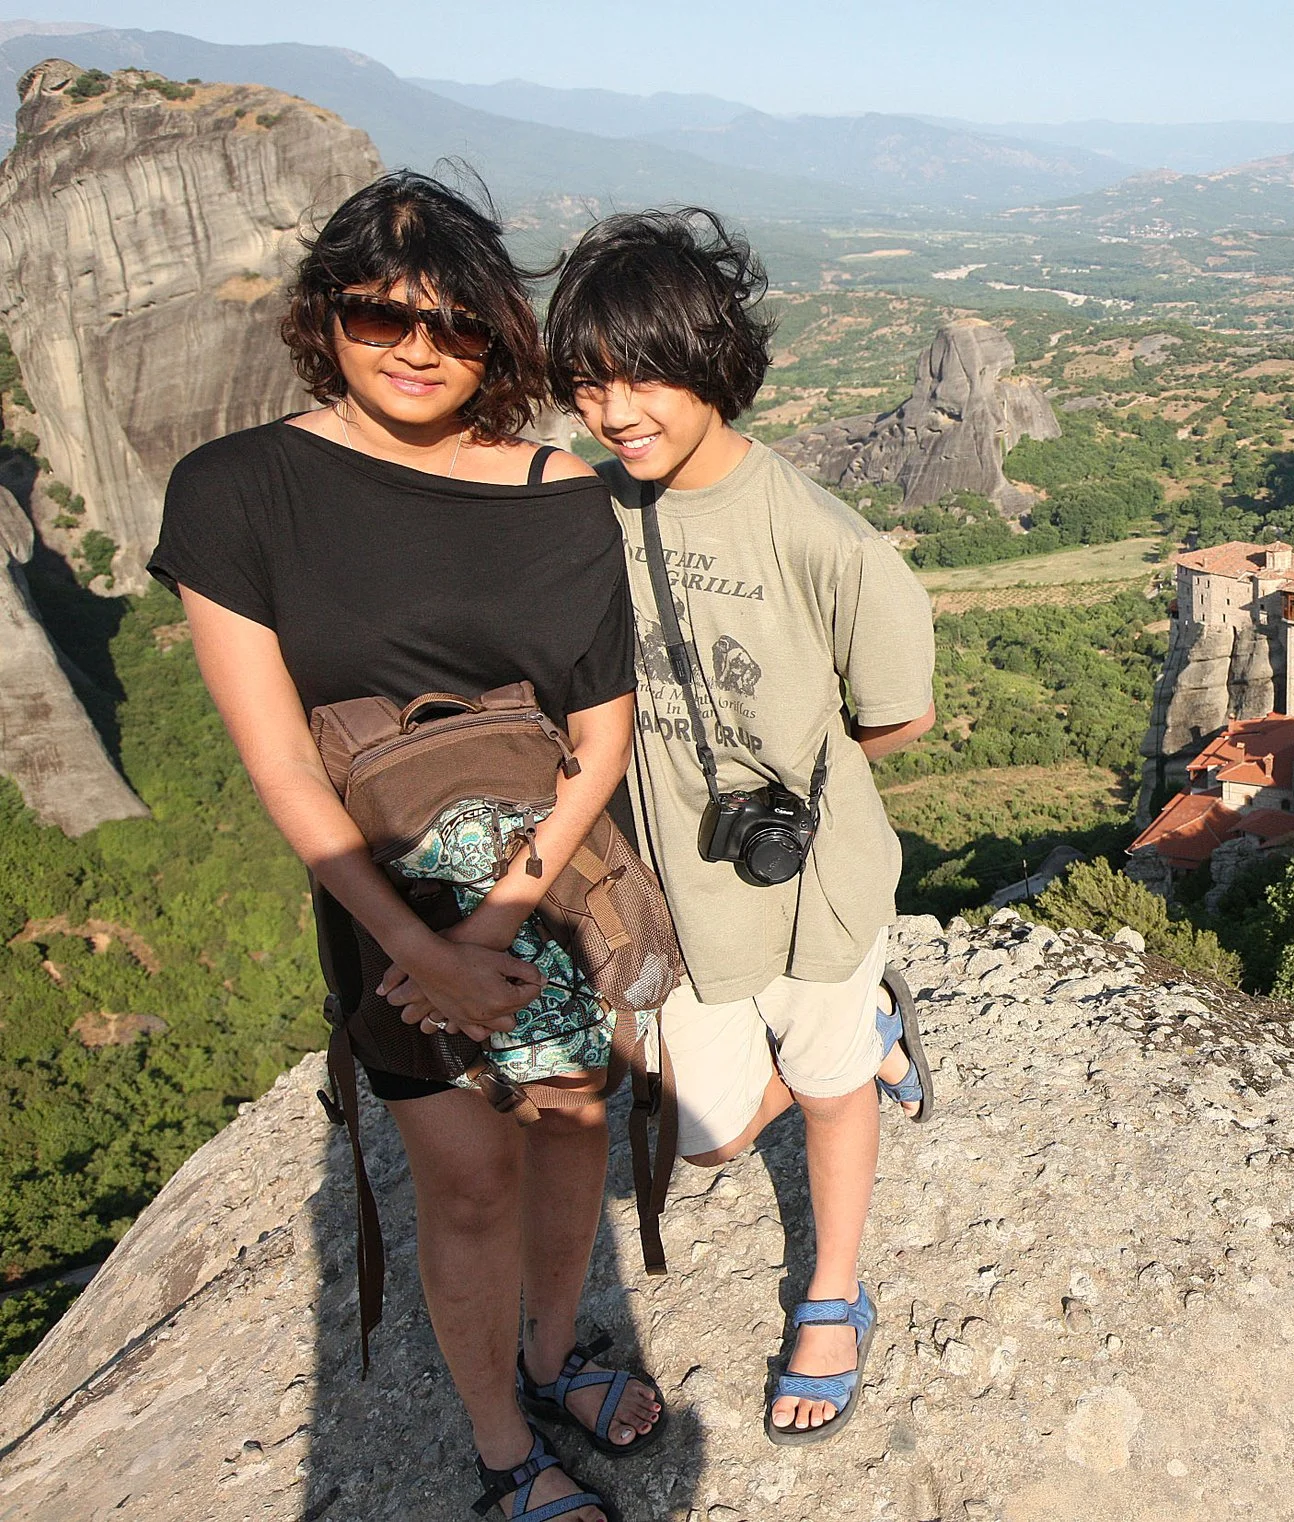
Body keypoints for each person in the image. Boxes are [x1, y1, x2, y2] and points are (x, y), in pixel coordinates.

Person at [153, 171, 657, 1522]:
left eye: (458, 327)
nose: (419, 351)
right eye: (383, 317)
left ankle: (555, 1351)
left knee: (567, 1124)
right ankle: (502, 1444)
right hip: (383, 909)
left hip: (547, 889)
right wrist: (420, 948)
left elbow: (600, 740)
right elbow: (278, 760)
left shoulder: (562, 497)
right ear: (326, 314)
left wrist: (487, 936)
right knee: (469, 1174)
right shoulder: (238, 492)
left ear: (495, 335)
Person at [543, 209, 937, 1443]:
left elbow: (896, 721)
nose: (615, 411)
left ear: (712, 361)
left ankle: (833, 1292)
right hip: (678, 893)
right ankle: (877, 1041)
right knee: (707, 1138)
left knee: (821, 1087)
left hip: (810, 881)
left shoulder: (828, 540)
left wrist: (786, 779)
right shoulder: (590, 511)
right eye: (589, 383)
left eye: (643, 375)